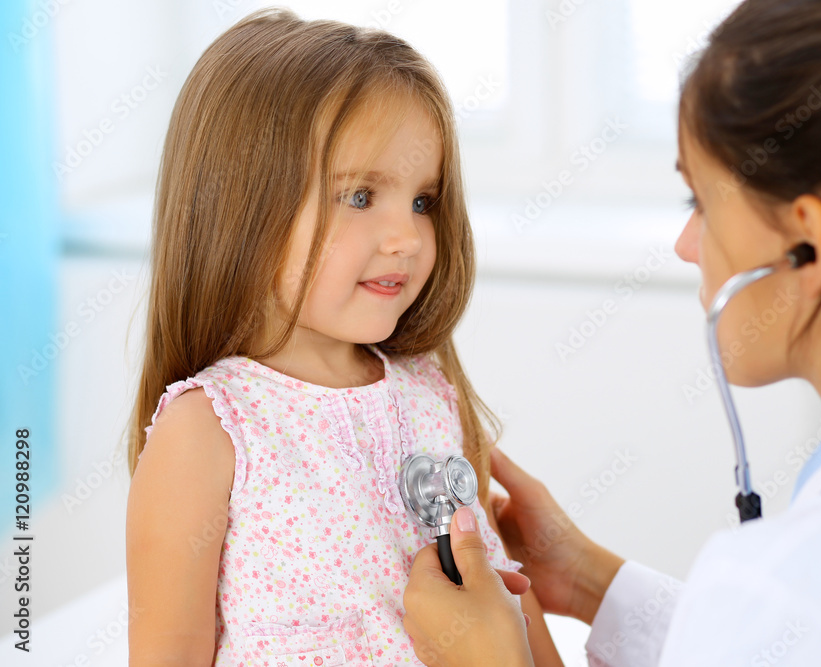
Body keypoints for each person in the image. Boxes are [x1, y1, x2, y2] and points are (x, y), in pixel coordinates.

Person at [402, 0, 821, 664]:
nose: (688, 245)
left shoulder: (797, 582)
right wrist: (588, 577)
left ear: (810, 243)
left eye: (700, 202)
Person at [123, 9, 563, 666]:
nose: (407, 237)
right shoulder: (208, 430)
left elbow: (510, 609)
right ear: (243, 205)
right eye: (360, 196)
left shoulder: (433, 398)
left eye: (422, 200)